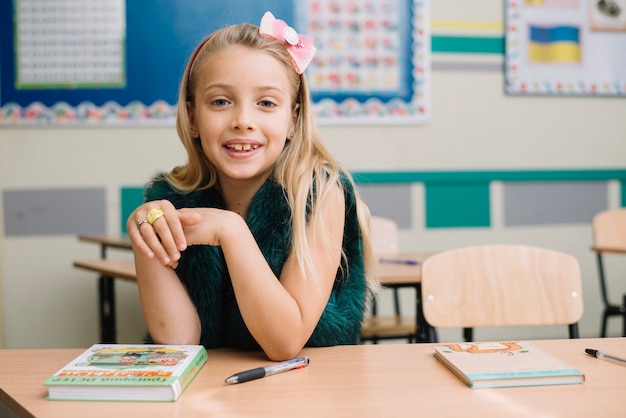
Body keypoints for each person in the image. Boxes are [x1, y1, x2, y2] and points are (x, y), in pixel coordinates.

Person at [127, 11, 376, 361]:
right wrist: (148, 238)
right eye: (220, 102)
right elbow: (178, 342)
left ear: (293, 118)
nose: (243, 121)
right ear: (193, 117)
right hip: (215, 394)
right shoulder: (170, 199)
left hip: (312, 392)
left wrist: (231, 231)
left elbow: (284, 343)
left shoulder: (319, 194)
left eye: (266, 104)